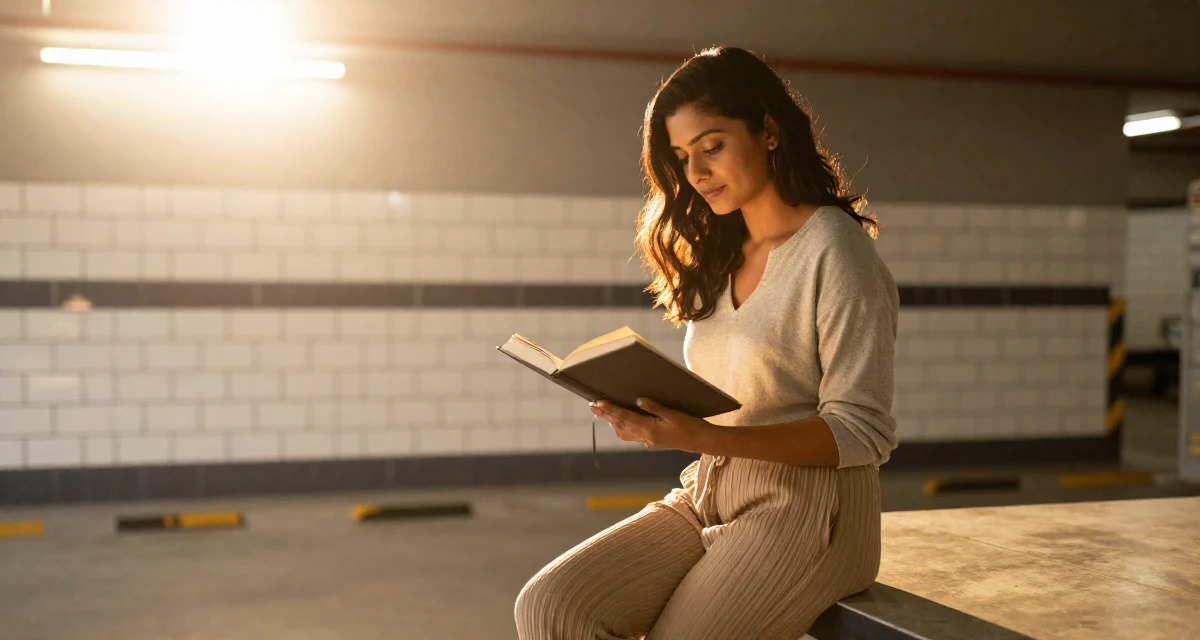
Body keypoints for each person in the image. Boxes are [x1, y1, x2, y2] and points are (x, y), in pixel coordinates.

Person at [514, 46, 899, 640]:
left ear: (768, 131)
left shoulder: (836, 251)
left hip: (815, 511)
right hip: (711, 489)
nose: (695, 173)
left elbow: (861, 431)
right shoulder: (722, 253)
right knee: (552, 607)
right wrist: (659, 414)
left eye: (712, 146)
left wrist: (699, 435)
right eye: (682, 157)